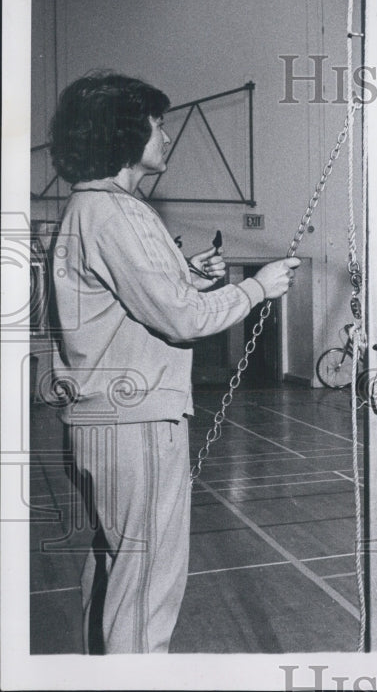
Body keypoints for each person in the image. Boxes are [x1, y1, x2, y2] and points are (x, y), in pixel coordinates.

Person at [47, 72, 300, 653]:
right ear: (125, 135)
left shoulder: (90, 208)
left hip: (98, 422)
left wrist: (192, 276)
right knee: (146, 588)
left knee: (115, 570)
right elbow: (182, 320)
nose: (166, 136)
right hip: (136, 424)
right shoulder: (118, 214)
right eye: (157, 125)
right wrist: (257, 289)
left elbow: (131, 297)